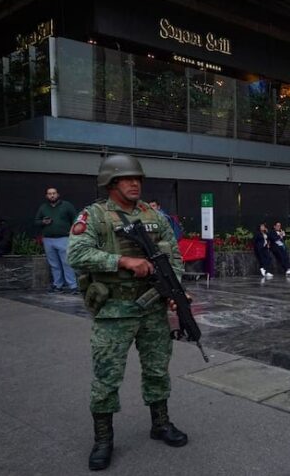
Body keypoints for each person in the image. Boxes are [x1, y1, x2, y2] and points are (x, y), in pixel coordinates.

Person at [67, 154, 188, 471]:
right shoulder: (93, 216)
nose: (135, 183)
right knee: (106, 378)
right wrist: (122, 261)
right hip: (114, 310)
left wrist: (174, 291)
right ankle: (103, 439)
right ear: (111, 183)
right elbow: (76, 254)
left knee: (158, 369)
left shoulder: (154, 215)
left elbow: (173, 255)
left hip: (153, 308)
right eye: (126, 178)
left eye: (138, 179)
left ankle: (160, 423)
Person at [35, 187, 79, 294]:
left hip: (63, 238)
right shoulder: (43, 207)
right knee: (54, 264)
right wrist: (43, 222)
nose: (52, 195)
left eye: (54, 193)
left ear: (58, 194)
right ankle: (58, 285)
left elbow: (76, 218)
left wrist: (73, 230)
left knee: (66, 263)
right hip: (48, 239)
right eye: (49, 194)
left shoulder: (66, 205)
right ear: (47, 196)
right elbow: (36, 221)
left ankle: (73, 286)